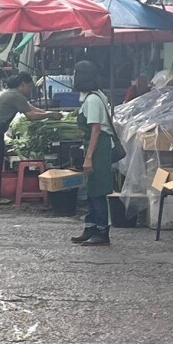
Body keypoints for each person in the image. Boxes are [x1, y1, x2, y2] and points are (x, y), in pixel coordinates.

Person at [0, 73, 59, 205]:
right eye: (29, 87)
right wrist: (49, 115)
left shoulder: (10, 93)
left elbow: (31, 108)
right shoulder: (16, 96)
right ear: (23, 85)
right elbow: (30, 115)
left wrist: (49, 113)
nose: (30, 90)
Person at [70, 61, 115, 247]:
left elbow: (96, 130)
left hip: (99, 149)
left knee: (97, 191)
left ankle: (102, 232)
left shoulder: (93, 100)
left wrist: (88, 158)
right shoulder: (96, 95)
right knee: (91, 190)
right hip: (96, 146)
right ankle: (91, 227)